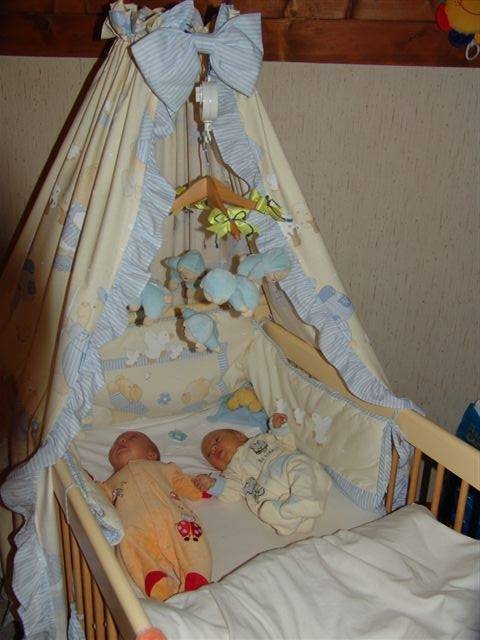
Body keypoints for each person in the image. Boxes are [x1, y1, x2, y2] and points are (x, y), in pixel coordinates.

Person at [101, 431, 211, 601]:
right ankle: (154, 580)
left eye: (131, 438)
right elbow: (96, 498)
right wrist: (84, 480)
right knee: (128, 543)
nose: (121, 441)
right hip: (134, 525)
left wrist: (202, 485)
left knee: (191, 538)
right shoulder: (110, 483)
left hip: (173, 517)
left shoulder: (164, 468)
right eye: (117, 443)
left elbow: (184, 483)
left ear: (151, 455)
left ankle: (196, 575)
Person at [193, 414, 331, 535]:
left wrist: (278, 428)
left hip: (287, 468)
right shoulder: (231, 473)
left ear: (239, 435)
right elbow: (232, 493)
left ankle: (303, 496)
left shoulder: (263, 438)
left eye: (217, 441)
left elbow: (288, 445)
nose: (214, 449)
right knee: (265, 508)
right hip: (272, 493)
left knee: (298, 464)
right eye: (209, 455)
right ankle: (296, 518)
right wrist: (213, 484)